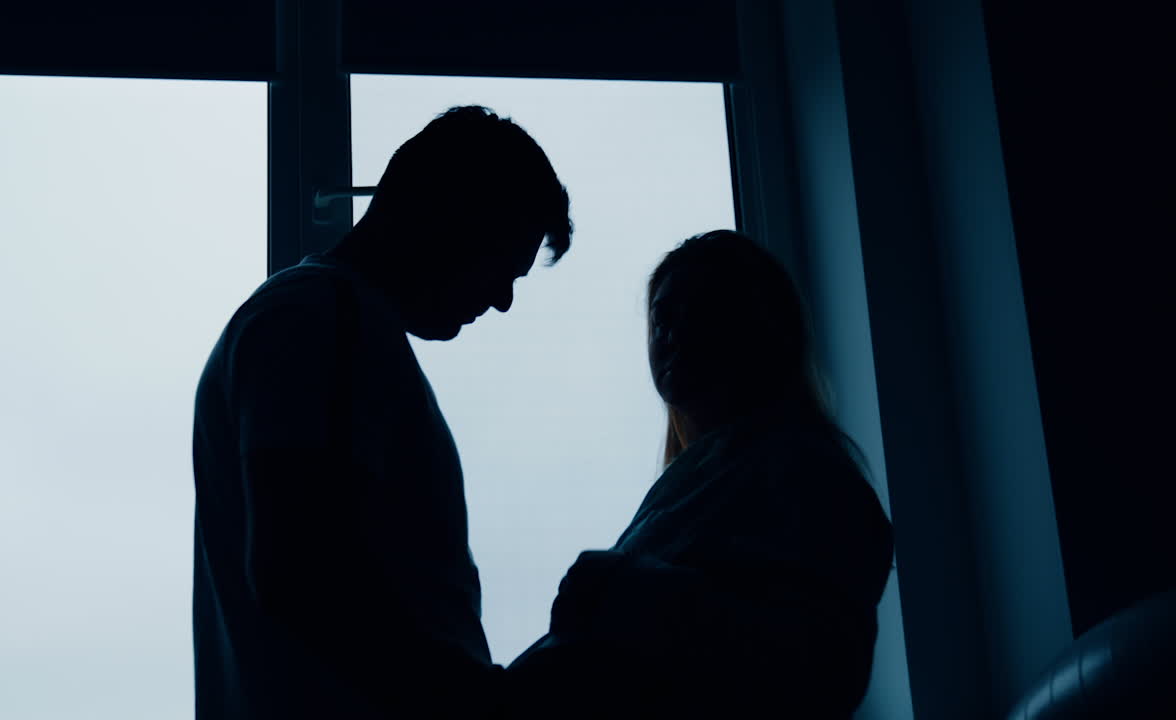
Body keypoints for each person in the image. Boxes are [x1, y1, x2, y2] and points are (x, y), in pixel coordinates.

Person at [191, 106, 572, 719]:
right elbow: (297, 574)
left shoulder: (326, 321)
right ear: (442, 213)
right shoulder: (318, 322)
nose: (501, 301)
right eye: (501, 266)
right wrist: (482, 702)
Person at [506, 230, 895, 718]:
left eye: (707, 312)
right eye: (664, 316)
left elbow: (821, 671)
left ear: (763, 329)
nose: (674, 332)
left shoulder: (811, 478)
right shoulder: (694, 482)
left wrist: (629, 589)